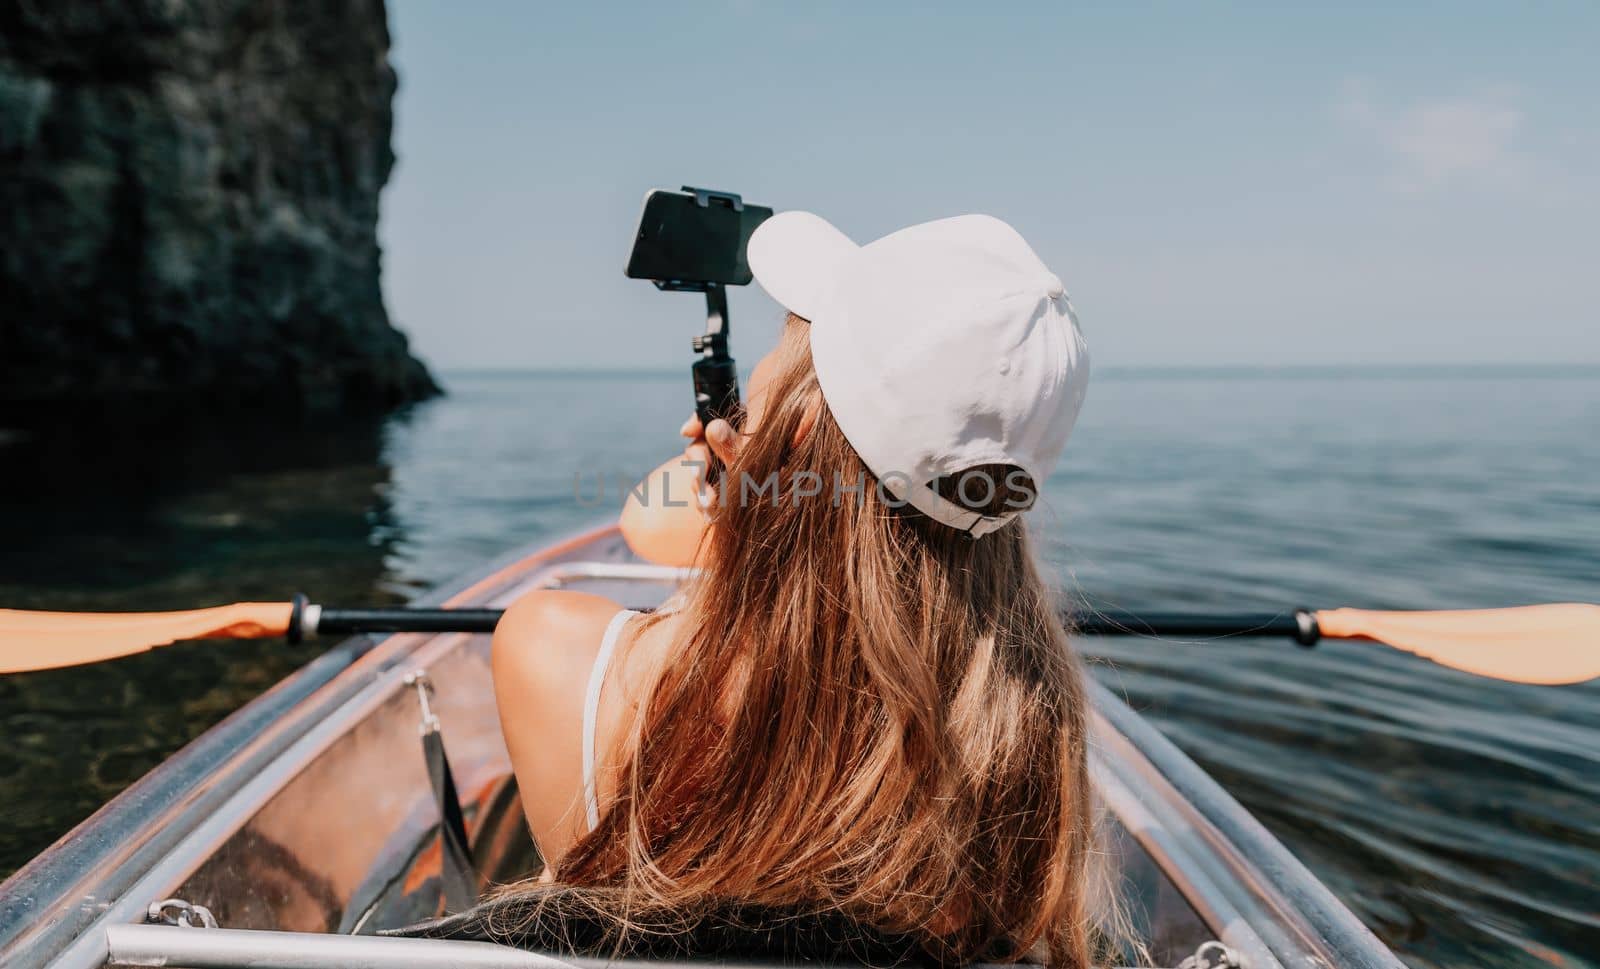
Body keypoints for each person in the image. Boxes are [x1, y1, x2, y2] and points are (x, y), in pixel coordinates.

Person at [467, 212, 1105, 965]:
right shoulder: (1025, 732)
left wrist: (752, 502)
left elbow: (647, 518)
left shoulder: (552, 648)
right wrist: (765, 494)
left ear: (796, 440)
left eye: (774, 360)